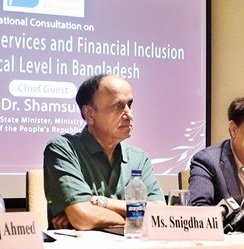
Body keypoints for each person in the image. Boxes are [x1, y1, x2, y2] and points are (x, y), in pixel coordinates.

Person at [43, 74, 164, 230]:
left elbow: (159, 213)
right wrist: (137, 220)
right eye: (118, 106)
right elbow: (83, 217)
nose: (129, 115)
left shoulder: (139, 158)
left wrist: (102, 202)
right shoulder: (63, 148)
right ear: (90, 114)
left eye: (129, 105)